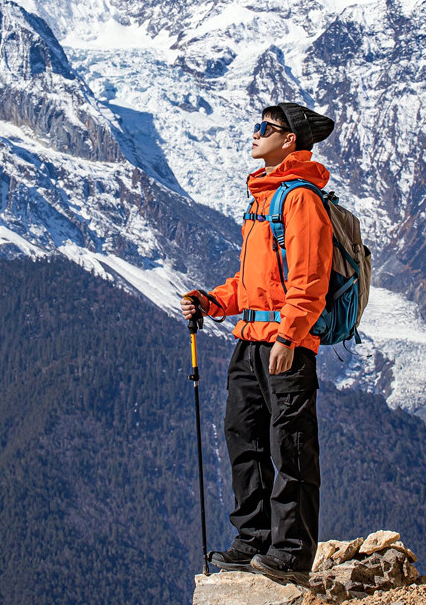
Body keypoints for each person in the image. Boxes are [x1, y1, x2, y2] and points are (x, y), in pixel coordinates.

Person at [181, 101, 335, 587]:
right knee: (243, 438)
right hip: (249, 342)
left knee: (289, 447)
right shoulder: (262, 198)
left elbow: (310, 278)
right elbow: (252, 283)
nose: (254, 135)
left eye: (263, 129)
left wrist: (290, 335)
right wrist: (213, 301)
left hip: (283, 344)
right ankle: (254, 539)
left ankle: (290, 552)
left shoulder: (300, 199)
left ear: (289, 140)